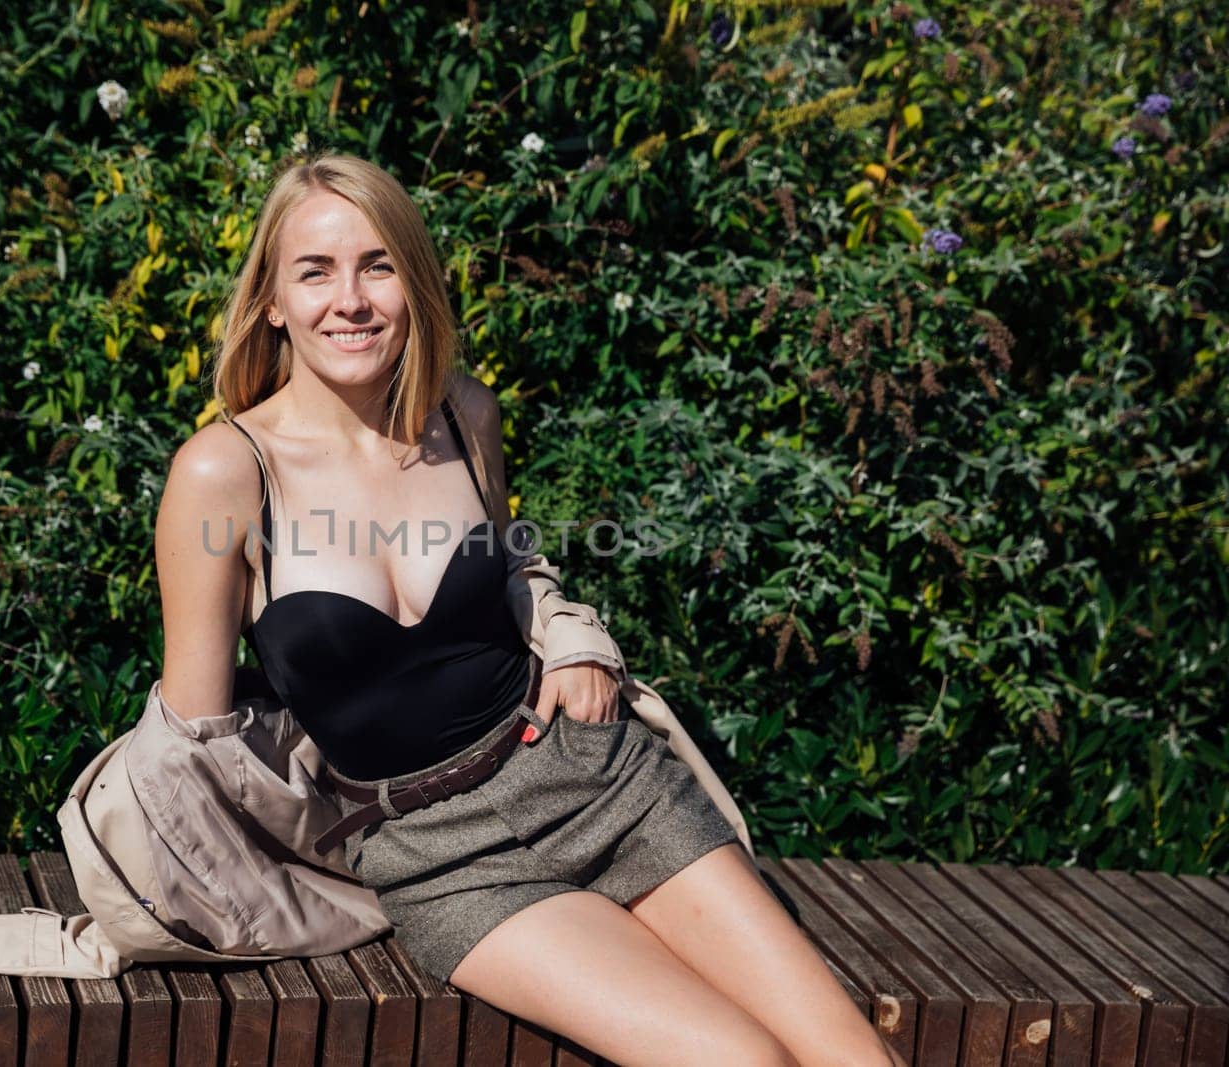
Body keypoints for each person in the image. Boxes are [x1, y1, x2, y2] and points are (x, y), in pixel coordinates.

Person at [153, 153, 903, 1067]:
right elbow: (198, 743)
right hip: (439, 856)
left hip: (596, 773)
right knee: (743, 1061)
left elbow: (504, 571)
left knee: (853, 1057)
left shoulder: (465, 417)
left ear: (414, 281)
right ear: (271, 298)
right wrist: (143, 906)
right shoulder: (223, 473)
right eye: (315, 271)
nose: (349, 299)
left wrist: (566, 631)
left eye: (377, 264)